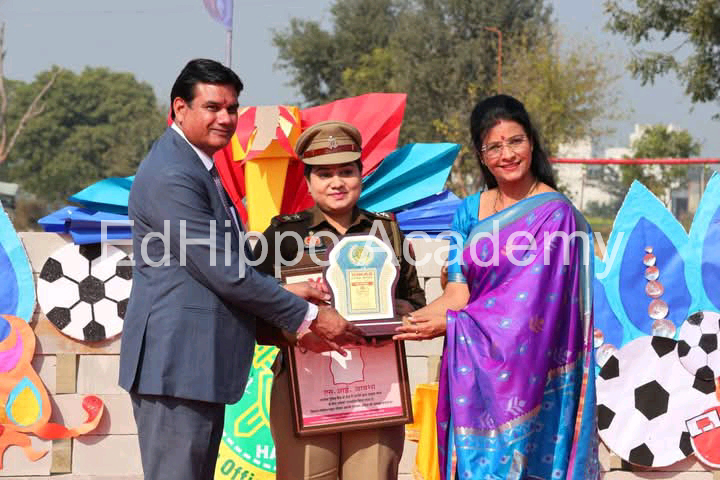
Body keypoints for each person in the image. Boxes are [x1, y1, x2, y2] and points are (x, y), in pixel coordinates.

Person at [118, 60, 362, 480]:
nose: (225, 118)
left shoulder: (197, 166)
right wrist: (309, 316)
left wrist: (288, 290)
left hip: (194, 366)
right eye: (212, 107)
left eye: (232, 108)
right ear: (180, 108)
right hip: (176, 365)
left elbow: (224, 265)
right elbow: (224, 272)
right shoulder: (173, 174)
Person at [396, 95, 598, 479]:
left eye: (515, 141)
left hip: (537, 370)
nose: (507, 154)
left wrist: (453, 325)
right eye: (494, 146)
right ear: (481, 155)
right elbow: (457, 295)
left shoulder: (556, 215)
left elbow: (532, 306)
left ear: (532, 142)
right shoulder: (468, 211)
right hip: (475, 372)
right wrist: (400, 321)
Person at [252, 120, 427, 480]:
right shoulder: (283, 233)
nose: (337, 182)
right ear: (308, 181)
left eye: (346, 171)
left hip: (378, 385)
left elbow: (415, 300)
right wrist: (295, 332)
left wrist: (399, 313)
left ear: (361, 175)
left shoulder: (387, 231)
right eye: (324, 174)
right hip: (303, 381)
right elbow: (252, 307)